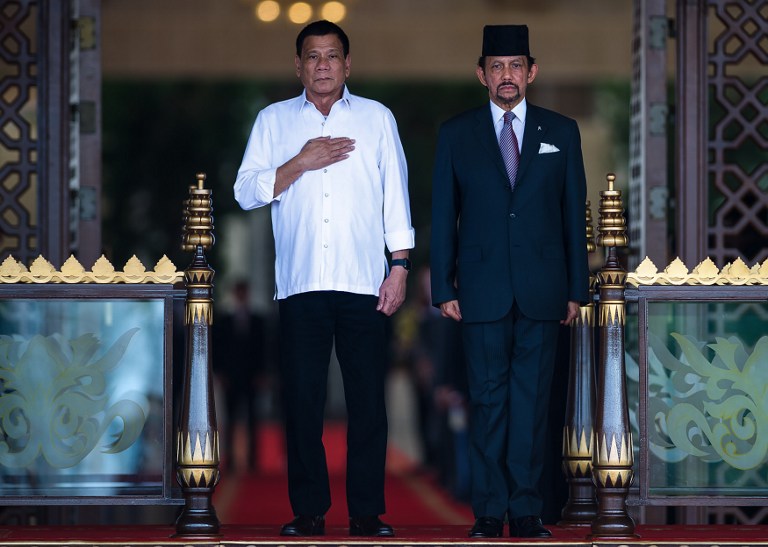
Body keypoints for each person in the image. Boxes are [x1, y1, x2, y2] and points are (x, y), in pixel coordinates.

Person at [234, 20, 414, 538]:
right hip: (301, 284)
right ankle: (308, 510)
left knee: (367, 404)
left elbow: (395, 197)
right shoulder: (273, 121)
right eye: (312, 57)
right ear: (298, 66)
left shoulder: (378, 119)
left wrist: (399, 266)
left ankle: (366, 512)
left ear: (347, 64)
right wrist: (300, 162)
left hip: (364, 283)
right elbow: (246, 191)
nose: (322, 66)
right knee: (302, 401)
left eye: (332, 56)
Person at [429, 24, 589, 539]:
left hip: (544, 289)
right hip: (479, 289)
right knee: (487, 402)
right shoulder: (457, 134)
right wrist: (444, 288)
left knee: (531, 405)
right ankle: (488, 511)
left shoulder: (561, 132)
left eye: (516, 66)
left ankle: (526, 509)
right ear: (481, 74)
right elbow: (443, 212)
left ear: (531, 72)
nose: (506, 76)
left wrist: (576, 288)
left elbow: (572, 216)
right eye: (496, 67)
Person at [213, 280, 266, 472]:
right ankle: (231, 459)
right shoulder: (225, 320)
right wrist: (220, 373)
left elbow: (262, 350)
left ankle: (253, 460)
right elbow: (218, 349)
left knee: (253, 418)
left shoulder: (258, 320)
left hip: (251, 377)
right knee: (230, 418)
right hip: (231, 378)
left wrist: (262, 374)